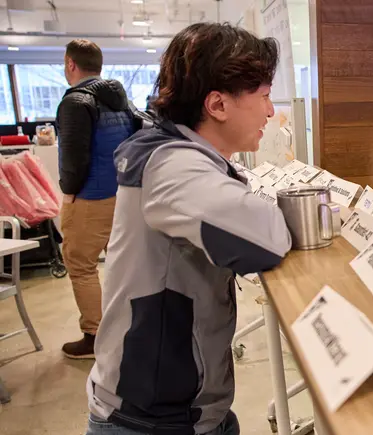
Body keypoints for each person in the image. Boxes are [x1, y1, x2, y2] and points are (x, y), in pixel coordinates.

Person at [85, 23, 293, 435]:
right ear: (217, 104)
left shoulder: (179, 153)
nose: (271, 111)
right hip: (151, 418)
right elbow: (263, 240)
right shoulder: (172, 166)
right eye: (265, 96)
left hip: (187, 407)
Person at [56, 39, 135, 359]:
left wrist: (69, 191)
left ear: (71, 64)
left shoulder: (75, 102)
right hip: (123, 194)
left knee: (81, 266)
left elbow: (73, 158)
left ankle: (94, 335)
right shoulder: (118, 99)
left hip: (90, 198)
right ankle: (127, 328)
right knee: (120, 265)